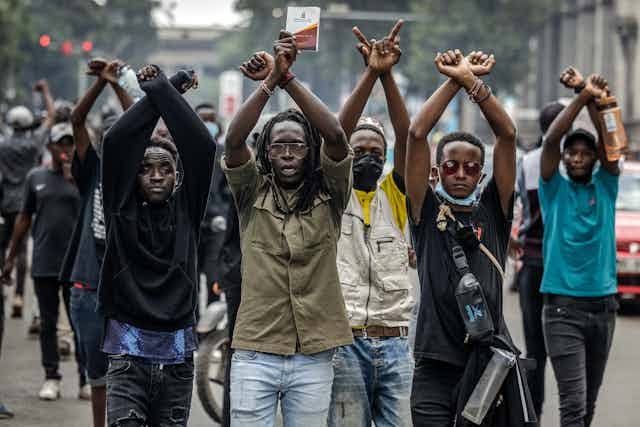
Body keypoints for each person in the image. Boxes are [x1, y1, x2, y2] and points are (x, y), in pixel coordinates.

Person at [224, 32, 353, 425]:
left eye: (296, 145)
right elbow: (233, 141)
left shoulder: (331, 195)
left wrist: (289, 79)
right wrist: (268, 84)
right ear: (266, 152)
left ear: (309, 151)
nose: (287, 153)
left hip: (313, 355)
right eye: (278, 146)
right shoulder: (250, 192)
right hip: (254, 352)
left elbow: (334, 135)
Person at [405, 50, 521, 425]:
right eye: (451, 166)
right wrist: (453, 79)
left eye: (471, 167)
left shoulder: (494, 209)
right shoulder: (423, 210)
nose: (460, 174)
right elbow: (416, 133)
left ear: (480, 173)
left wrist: (473, 83)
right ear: (436, 173)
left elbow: (507, 134)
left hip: (487, 361)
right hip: (434, 364)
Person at [98, 65, 215, 427]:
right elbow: (116, 142)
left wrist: (171, 88)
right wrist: (158, 92)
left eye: (165, 168)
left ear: (178, 175)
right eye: (146, 168)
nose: (156, 175)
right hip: (126, 355)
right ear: (134, 175)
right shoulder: (121, 207)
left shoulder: (188, 209)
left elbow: (202, 146)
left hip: (177, 358)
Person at [328, 21, 415, 427]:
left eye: (375, 150)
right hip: (344, 345)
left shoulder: (395, 196)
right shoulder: (330, 195)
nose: (368, 156)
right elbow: (335, 134)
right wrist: (369, 75)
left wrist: (388, 76)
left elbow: (408, 137)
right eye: (358, 150)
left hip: (396, 343)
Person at [539, 67, 619, 427]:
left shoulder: (606, 186)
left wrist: (596, 101)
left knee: (587, 406)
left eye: (585, 153)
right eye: (571, 153)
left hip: (604, 308)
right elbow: (551, 141)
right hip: (562, 311)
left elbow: (613, 148)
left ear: (595, 159)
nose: (576, 157)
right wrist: (582, 97)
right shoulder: (553, 188)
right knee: (572, 407)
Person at [59, 59, 134, 427]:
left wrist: (119, 84)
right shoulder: (91, 169)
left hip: (129, 287)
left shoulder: (142, 172)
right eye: (109, 137)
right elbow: (76, 121)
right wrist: (101, 84)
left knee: (131, 367)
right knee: (97, 372)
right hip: (88, 285)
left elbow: (141, 120)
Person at [1, 122, 85, 401]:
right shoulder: (35, 177)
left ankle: (86, 380)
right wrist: (11, 259)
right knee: (48, 324)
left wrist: (75, 178)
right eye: (60, 143)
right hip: (45, 261)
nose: (66, 149)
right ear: (50, 147)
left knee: (80, 324)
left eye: (70, 143)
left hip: (76, 264)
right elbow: (24, 219)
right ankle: (52, 377)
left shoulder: (84, 177)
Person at [513, 100, 564, 418]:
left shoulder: (528, 162)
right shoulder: (576, 162)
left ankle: (534, 416)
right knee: (564, 349)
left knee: (536, 349)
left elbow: (515, 203)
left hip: (532, 261)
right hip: (559, 266)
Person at [0, 80, 55, 320]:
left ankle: (4, 287)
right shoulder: (33, 145)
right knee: (22, 250)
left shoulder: (3, 146)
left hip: (6, 203)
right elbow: (51, 118)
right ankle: (20, 295)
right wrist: (45, 91)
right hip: (30, 201)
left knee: (4, 248)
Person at [197, 102, 233, 304]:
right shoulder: (183, 151)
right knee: (189, 279)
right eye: (203, 120)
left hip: (217, 225)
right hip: (193, 225)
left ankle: (209, 328)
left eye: (211, 120)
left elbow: (229, 190)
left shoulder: (225, 154)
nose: (208, 124)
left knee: (214, 277)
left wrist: (221, 214)